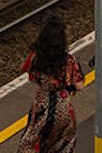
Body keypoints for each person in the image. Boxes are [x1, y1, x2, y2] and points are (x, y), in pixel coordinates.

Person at [17, 14, 83, 153]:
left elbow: (31, 75)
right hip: (63, 107)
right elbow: (79, 85)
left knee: (31, 143)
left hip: (42, 106)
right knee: (63, 144)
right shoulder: (69, 60)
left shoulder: (35, 58)